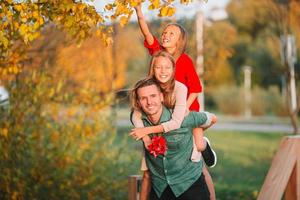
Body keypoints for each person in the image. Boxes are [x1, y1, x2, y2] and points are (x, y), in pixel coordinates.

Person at [134, 5, 217, 197]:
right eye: (164, 32)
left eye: (171, 33)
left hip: (187, 107)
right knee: (169, 149)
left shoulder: (185, 61)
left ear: (180, 41)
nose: (166, 35)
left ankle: (205, 147)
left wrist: (184, 109)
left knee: (197, 151)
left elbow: (196, 89)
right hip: (169, 111)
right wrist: (138, 12)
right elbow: (146, 33)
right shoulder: (158, 54)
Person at [130, 78, 216, 200]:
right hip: (160, 188)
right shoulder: (140, 124)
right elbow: (147, 175)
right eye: (143, 98)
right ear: (138, 102)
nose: (149, 102)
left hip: (190, 185)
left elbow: (212, 118)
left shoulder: (181, 118)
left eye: (153, 96)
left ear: (161, 97)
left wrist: (197, 138)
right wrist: (145, 137)